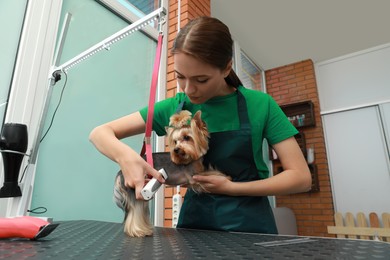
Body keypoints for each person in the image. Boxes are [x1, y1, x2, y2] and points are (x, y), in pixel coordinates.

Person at [89, 16, 312, 234]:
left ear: (226, 68)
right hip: (194, 228)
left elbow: (301, 178)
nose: (188, 89)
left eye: (201, 80)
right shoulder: (173, 108)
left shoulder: (260, 105)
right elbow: (100, 133)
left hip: (250, 227)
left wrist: (233, 188)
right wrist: (126, 158)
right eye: (180, 77)